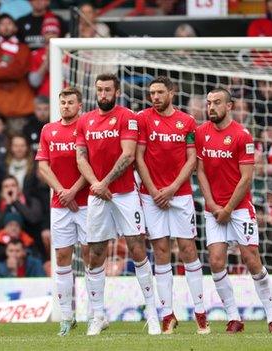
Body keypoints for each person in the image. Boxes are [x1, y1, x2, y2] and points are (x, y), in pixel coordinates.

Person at [75, 73, 159, 335]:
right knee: (95, 253)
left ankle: (152, 313)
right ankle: (97, 315)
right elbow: (80, 158)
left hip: (124, 194)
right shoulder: (85, 121)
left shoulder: (127, 118)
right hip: (98, 195)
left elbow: (129, 154)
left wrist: (105, 183)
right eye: (99, 90)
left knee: (137, 249)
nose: (103, 94)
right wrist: (97, 185)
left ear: (117, 91)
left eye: (107, 90)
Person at [194, 88, 272, 334]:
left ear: (230, 106)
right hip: (213, 209)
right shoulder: (201, 133)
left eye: (217, 103)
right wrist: (212, 205)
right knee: (215, 261)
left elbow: (246, 179)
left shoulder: (242, 136)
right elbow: (200, 171)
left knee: (251, 259)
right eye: (209, 103)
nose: (211, 107)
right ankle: (233, 317)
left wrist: (228, 208)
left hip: (239, 208)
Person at [134, 76, 208, 334]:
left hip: (181, 195)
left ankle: (200, 313)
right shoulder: (142, 118)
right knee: (161, 250)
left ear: (171, 93)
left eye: (159, 92)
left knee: (188, 249)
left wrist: (172, 188)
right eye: (151, 93)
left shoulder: (187, 121)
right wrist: (154, 191)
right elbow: (138, 158)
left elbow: (192, 160)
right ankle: (167, 315)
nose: (154, 97)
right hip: (151, 196)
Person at [36, 87, 90, 336]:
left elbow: (92, 165)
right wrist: (62, 192)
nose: (66, 106)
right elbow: (43, 167)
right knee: (62, 258)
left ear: (80, 105)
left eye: (70, 102)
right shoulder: (49, 130)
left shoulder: (88, 127)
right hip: (60, 205)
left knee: (91, 256)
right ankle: (67, 317)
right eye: (63, 102)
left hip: (87, 202)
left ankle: (94, 313)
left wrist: (73, 191)